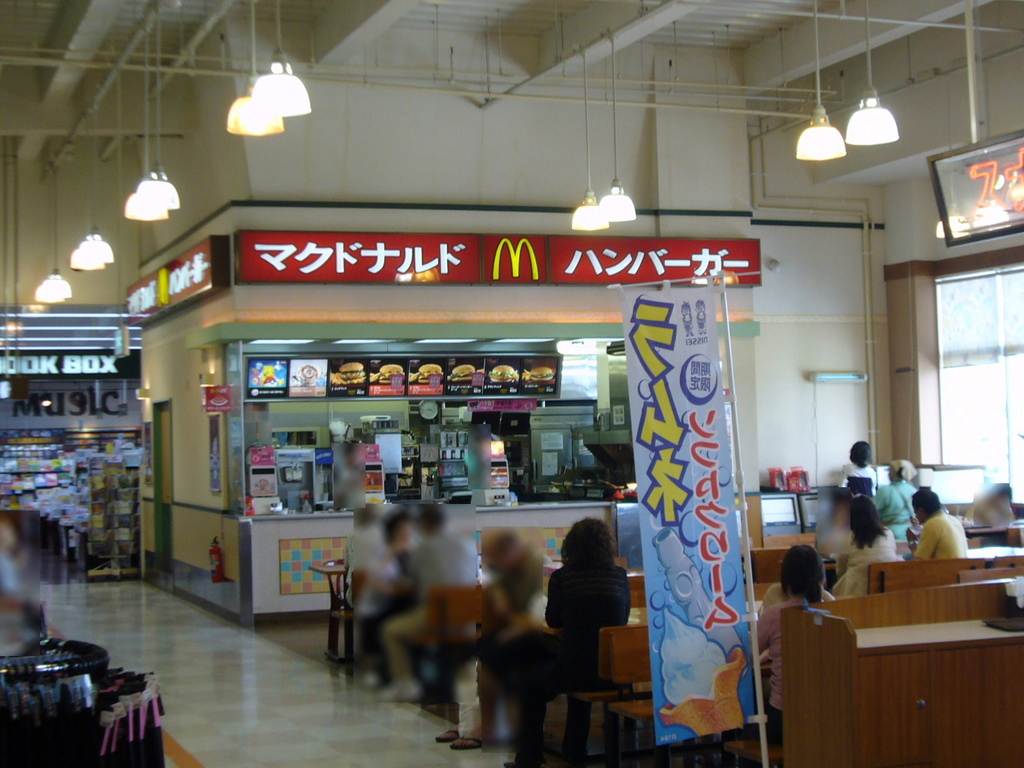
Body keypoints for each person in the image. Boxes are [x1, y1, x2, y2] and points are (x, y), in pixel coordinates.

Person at [513, 518, 630, 768]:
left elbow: (553, 621)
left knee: (530, 684)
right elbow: (623, 618)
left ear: (571, 547)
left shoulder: (563, 578)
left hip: (574, 672)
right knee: (586, 656)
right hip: (615, 674)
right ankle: (574, 748)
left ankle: (530, 758)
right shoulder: (620, 577)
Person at [379, 504, 478, 701]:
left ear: (424, 525)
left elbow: (411, 578)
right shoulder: (467, 543)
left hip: (438, 616)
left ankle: (406, 683)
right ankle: (456, 671)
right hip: (468, 620)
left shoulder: (424, 547)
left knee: (390, 629)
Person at [756, 545, 827, 745]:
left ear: (785, 582)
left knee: (750, 729)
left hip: (784, 716)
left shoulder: (773, 615)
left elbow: (749, 653)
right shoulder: (831, 612)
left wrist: (767, 654)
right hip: (826, 716)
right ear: (822, 580)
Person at [355, 510, 416, 686]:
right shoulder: (385, 551)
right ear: (393, 532)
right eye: (402, 530)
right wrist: (391, 553)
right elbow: (374, 579)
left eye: (408, 529)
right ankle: (375, 668)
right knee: (377, 619)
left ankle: (407, 670)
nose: (406, 534)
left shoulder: (415, 548)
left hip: (406, 599)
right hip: (382, 600)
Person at [832, 497, 900, 597]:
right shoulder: (888, 534)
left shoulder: (847, 537)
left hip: (855, 593)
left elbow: (840, 569)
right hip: (886, 591)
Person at [910, 489, 968, 560]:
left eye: (915, 513)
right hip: (963, 565)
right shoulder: (953, 519)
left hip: (948, 567)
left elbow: (919, 562)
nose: (916, 517)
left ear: (921, 511)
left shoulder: (932, 524)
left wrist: (912, 541)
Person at [873, 460, 917, 543]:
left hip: (889, 534)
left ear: (891, 473)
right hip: (910, 534)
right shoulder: (913, 490)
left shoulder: (884, 491)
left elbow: (870, 511)